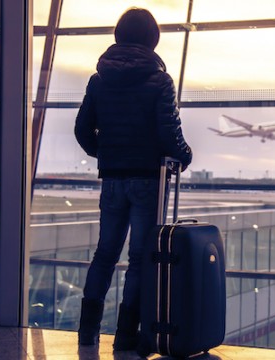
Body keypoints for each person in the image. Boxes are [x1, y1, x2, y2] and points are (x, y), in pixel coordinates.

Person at [73, 7, 193, 351]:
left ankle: (87, 332)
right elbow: (169, 132)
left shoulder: (99, 80)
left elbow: (83, 129)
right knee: (140, 258)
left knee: (105, 254)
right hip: (147, 179)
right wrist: (185, 155)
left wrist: (106, 154)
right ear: (152, 39)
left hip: (112, 179)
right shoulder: (159, 80)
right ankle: (126, 336)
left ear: (118, 35)